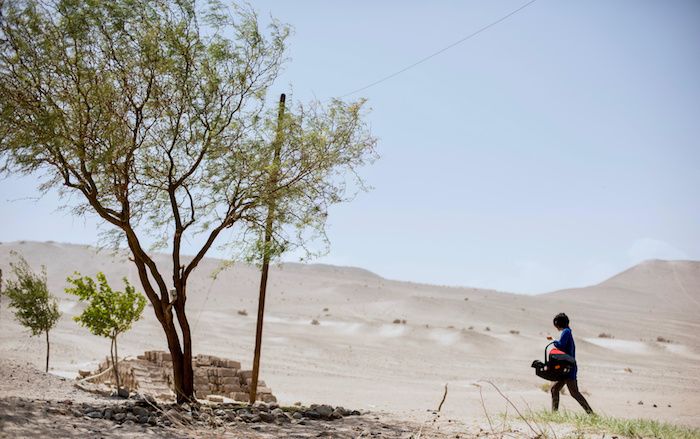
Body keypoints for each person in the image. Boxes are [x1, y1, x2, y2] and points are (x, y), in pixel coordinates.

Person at [546, 313, 594, 414]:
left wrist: (553, 340)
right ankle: (554, 415)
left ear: (557, 323)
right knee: (555, 389)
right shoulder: (567, 332)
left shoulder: (566, 332)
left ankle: (591, 414)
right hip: (566, 367)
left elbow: (561, 346)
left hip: (569, 367)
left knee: (574, 392)